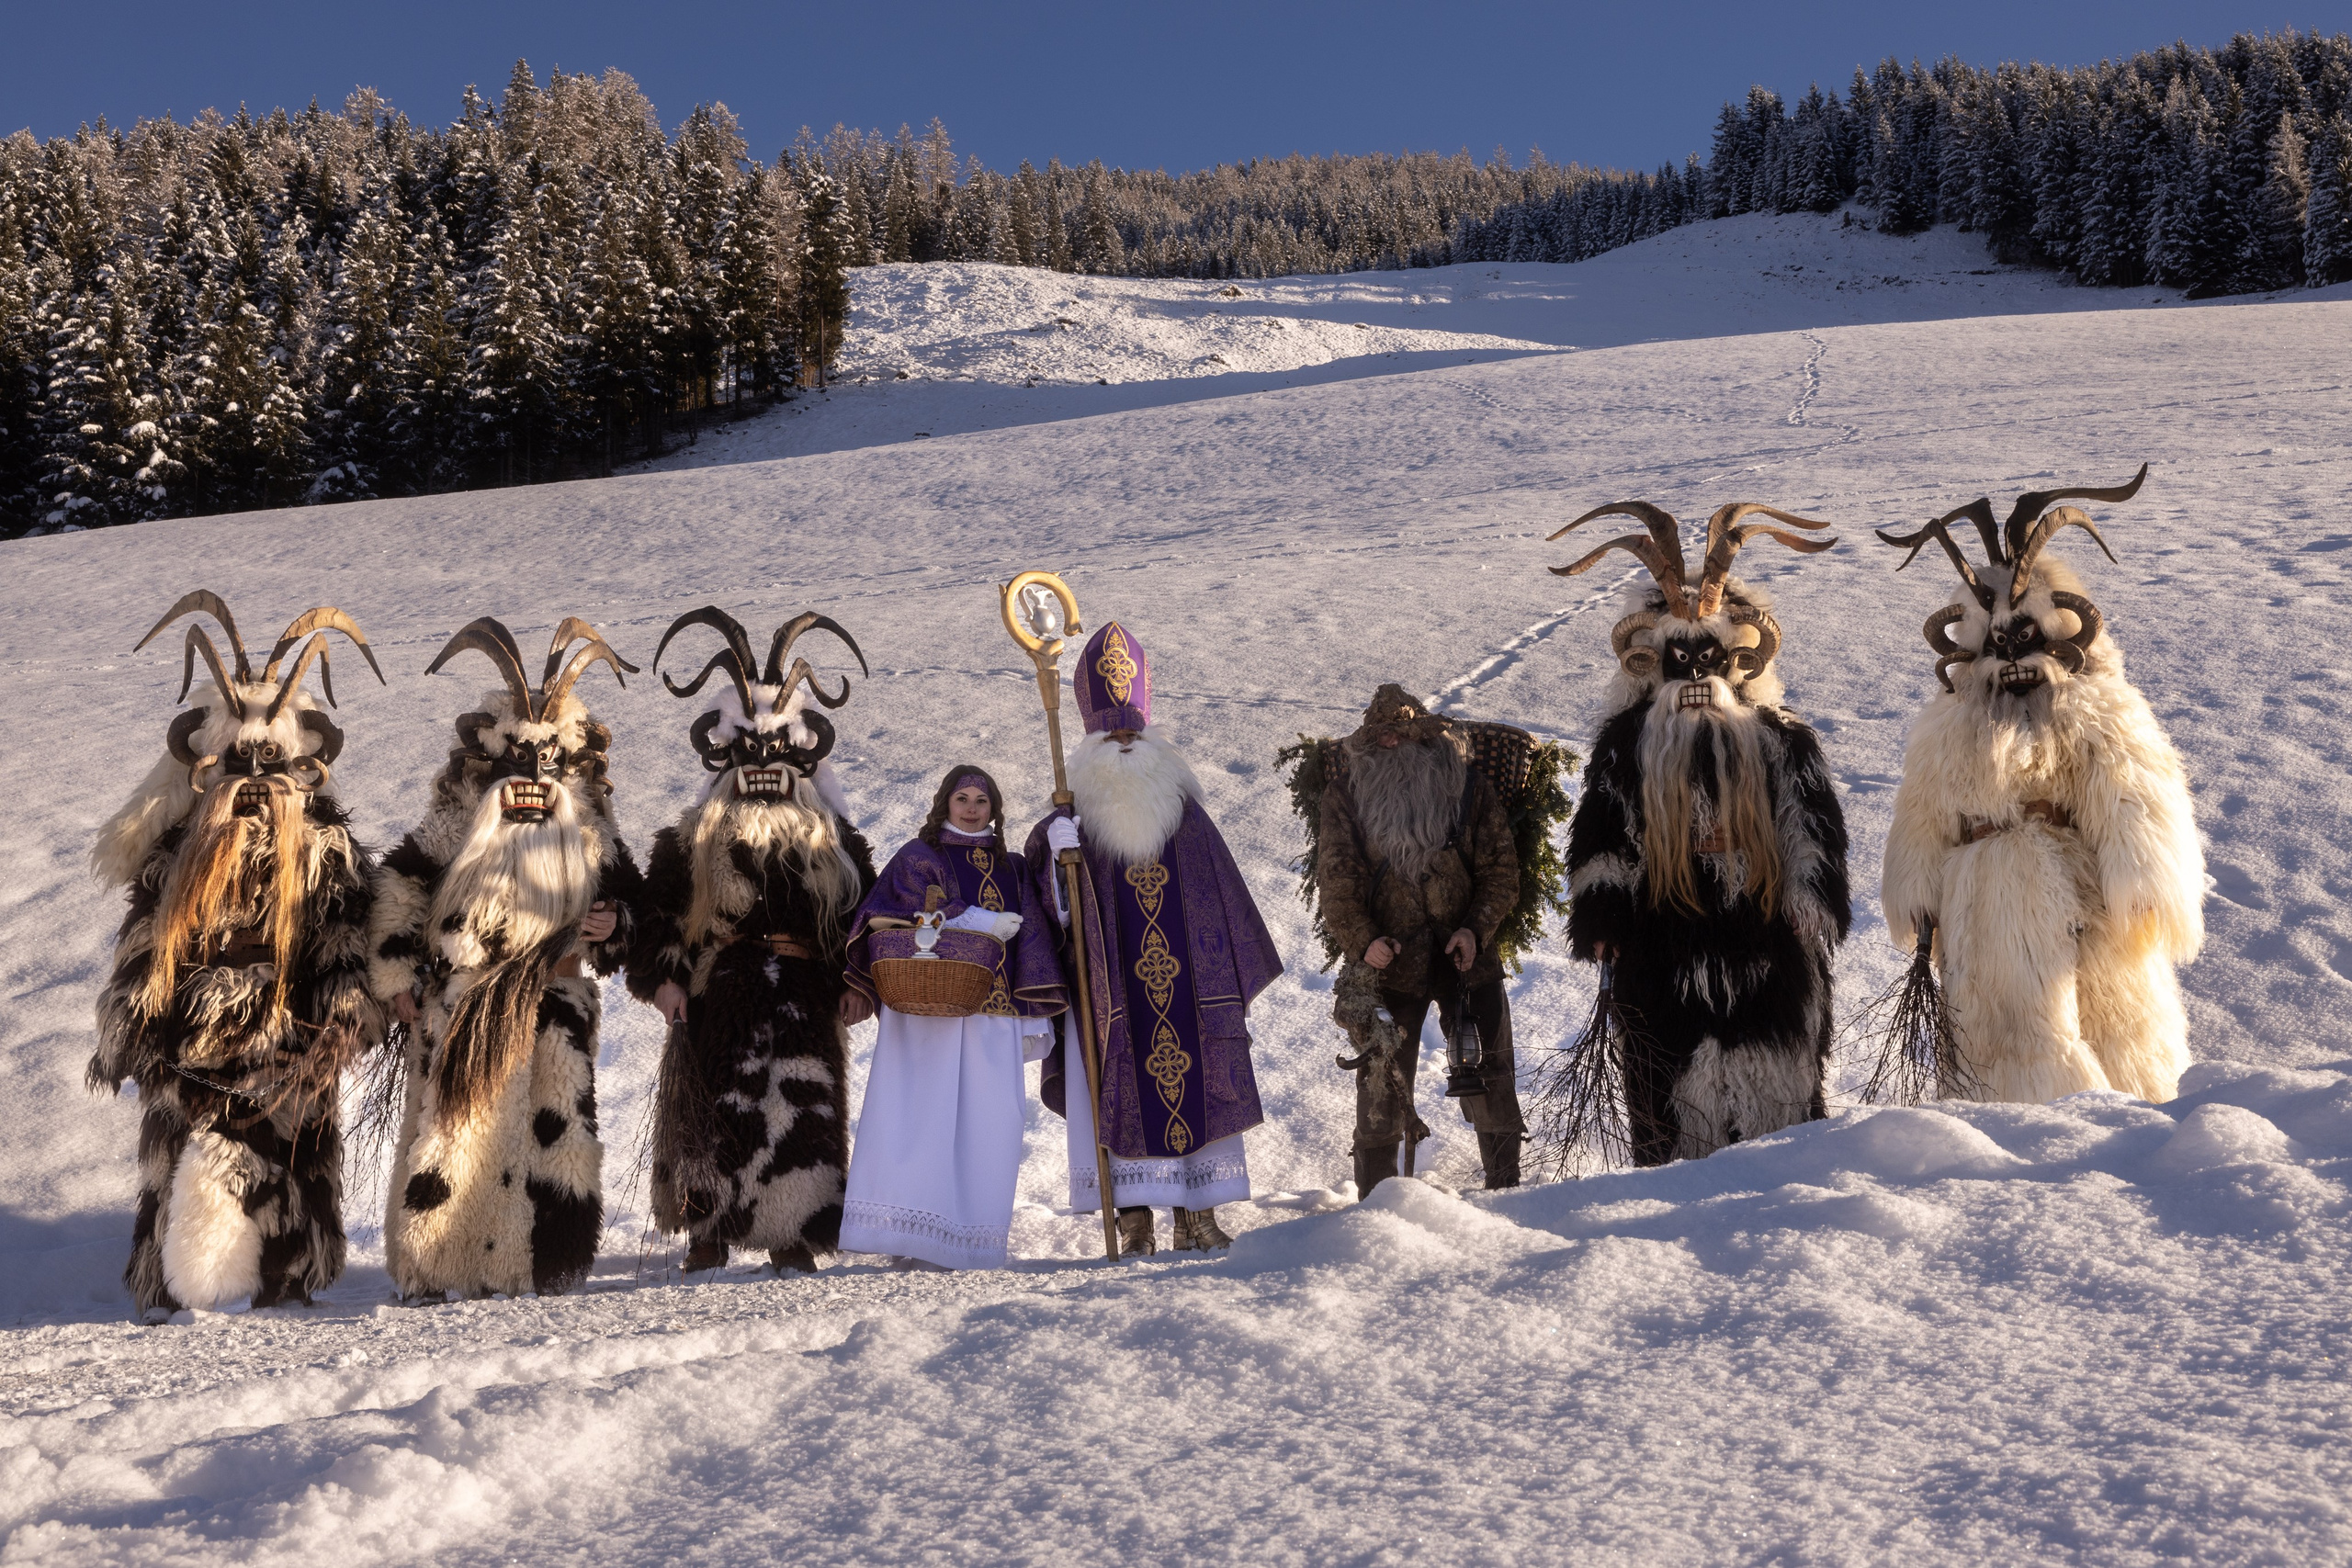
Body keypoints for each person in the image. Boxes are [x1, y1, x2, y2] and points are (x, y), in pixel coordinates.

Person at [92, 592, 386, 1319]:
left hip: (288, 1042)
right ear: (205, 769)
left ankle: (286, 1273)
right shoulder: (176, 861)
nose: (254, 781)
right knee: (182, 1155)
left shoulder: (323, 859)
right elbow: (145, 945)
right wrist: (132, 1024)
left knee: (292, 1156)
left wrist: (344, 1015)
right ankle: (171, 1281)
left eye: (272, 761)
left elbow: (342, 940)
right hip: (193, 1038)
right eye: (236, 761)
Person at [1876, 468, 2202, 1103]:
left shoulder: (2096, 704)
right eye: (1998, 641)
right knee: (1989, 1045)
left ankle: (2125, 1144)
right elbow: (1922, 810)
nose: (2012, 656)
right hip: (1977, 913)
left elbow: (2134, 788)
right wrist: (1915, 889)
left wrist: (2139, 873)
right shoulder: (1950, 720)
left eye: (2025, 637)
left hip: (2075, 900)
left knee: (2099, 1032)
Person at [1554, 501, 1851, 1166]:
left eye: (1708, 656)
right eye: (1678, 657)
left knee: (1773, 1081)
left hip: (1765, 938)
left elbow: (1813, 828)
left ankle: (1785, 1183)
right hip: (1665, 939)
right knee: (1672, 1093)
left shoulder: (1779, 740)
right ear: (1653, 660)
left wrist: (1812, 901)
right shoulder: (1626, 747)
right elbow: (1604, 840)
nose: (1694, 673)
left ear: (1735, 658)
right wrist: (1604, 914)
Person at [367, 616, 641, 1301]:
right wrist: (398, 976)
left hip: (554, 999)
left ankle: (533, 1263)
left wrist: (613, 922)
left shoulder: (587, 821)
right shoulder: (460, 814)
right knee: (456, 1128)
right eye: (520, 760)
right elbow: (402, 880)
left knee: (552, 1137)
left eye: (547, 762)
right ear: (494, 757)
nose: (532, 778)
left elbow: (632, 901)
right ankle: (435, 1265)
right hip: (467, 998)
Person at [629, 607, 878, 1273]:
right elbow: (657, 915)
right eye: (748, 752)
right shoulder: (692, 838)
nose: (762, 765)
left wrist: (859, 981)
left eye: (776, 752)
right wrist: (664, 979)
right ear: (726, 754)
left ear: (799, 757)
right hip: (722, 988)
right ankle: (706, 1225)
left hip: (804, 993)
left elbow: (866, 919)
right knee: (715, 1105)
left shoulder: (837, 844)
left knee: (802, 1106)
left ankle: (792, 1227)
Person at [1024, 620, 1283, 1257]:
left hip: (1189, 993)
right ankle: (1133, 1218)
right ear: (1090, 739)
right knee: (1115, 1080)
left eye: (1132, 730)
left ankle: (1196, 1214)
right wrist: (1054, 861)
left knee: (1193, 1079)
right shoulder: (1072, 822)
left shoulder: (1185, 815)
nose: (1124, 741)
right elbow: (1053, 919)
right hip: (1113, 993)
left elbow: (1223, 900)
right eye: (1111, 733)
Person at [840, 767, 1064, 1269]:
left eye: (981, 800)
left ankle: (967, 1238)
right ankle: (908, 1235)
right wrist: (980, 921)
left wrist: (1032, 1017)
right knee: (921, 1117)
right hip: (926, 1009)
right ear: (943, 803)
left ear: (994, 809)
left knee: (989, 1123)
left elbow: (1035, 934)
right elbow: (904, 902)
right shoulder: (920, 855)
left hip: (993, 1010)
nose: (970, 808)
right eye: (961, 798)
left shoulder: (1011, 866)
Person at [1314, 684, 1523, 1193]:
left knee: (1492, 1075)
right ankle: (1376, 1205)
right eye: (1381, 736)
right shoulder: (1346, 796)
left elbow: (1502, 871)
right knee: (1381, 1089)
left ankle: (1507, 1191)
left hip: (1465, 961)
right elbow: (1337, 880)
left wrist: (1475, 930)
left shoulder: (1470, 790)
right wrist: (1365, 942)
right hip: (1390, 967)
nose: (1391, 744)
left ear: (1427, 739)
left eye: (1403, 734)